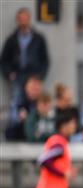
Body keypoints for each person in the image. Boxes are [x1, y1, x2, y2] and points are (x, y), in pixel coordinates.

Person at [1, 7, 49, 139]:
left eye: (25, 19)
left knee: (35, 103)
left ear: (29, 19)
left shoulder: (38, 38)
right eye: (20, 19)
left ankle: (35, 129)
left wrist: (40, 75)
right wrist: (9, 73)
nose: (23, 22)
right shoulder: (12, 40)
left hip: (34, 76)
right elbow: (4, 60)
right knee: (16, 103)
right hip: (18, 77)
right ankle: (15, 131)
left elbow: (45, 60)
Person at [5, 75, 42, 140]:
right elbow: (12, 119)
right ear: (26, 88)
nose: (35, 91)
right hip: (20, 135)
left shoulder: (42, 102)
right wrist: (20, 118)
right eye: (33, 88)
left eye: (37, 89)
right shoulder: (18, 102)